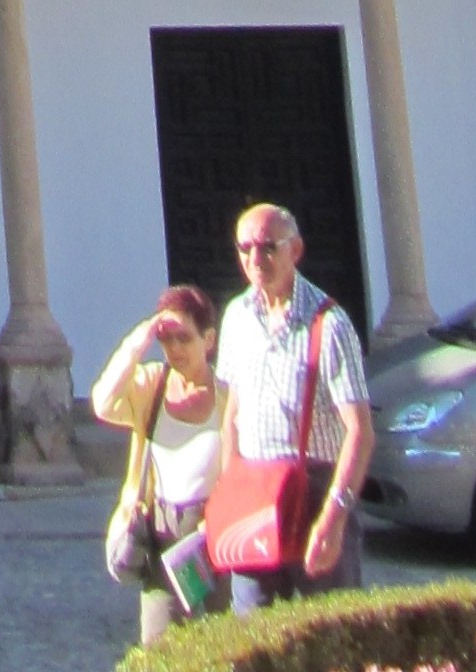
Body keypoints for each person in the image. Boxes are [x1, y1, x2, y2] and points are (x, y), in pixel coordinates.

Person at [210, 202, 373, 605]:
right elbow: (231, 414)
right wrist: (230, 489)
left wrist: (334, 517)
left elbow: (359, 431)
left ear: (295, 250)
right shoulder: (236, 317)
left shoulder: (330, 324)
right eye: (245, 248)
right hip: (254, 488)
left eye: (267, 246)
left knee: (329, 635)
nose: (255, 258)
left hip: (315, 489)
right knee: (253, 637)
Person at [91, 285, 226, 643]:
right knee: (159, 647)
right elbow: (103, 401)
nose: (175, 349)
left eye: (185, 338)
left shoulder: (228, 395)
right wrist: (141, 338)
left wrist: (216, 521)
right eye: (167, 339)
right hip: (161, 532)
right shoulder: (153, 383)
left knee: (222, 641)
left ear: (208, 339)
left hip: (209, 532)